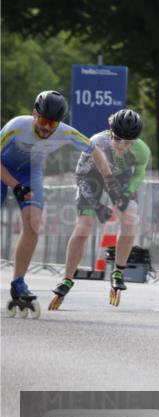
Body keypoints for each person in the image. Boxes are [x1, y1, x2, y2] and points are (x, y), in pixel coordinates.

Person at [1, 91, 113, 315]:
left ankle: (18, 283)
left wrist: (110, 180)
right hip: (3, 168)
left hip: (30, 172)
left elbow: (95, 151)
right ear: (34, 114)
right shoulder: (17, 126)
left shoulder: (65, 132)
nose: (46, 128)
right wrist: (14, 185)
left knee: (33, 223)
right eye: (43, 121)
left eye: (52, 124)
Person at [50, 109, 150, 309]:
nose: (122, 146)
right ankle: (67, 279)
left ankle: (118, 271)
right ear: (111, 132)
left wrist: (128, 193)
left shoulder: (142, 150)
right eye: (118, 139)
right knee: (84, 226)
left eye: (129, 142)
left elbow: (139, 174)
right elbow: (81, 177)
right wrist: (97, 206)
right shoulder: (97, 142)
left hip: (120, 179)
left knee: (130, 218)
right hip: (92, 177)